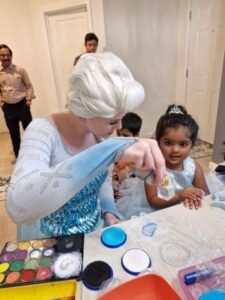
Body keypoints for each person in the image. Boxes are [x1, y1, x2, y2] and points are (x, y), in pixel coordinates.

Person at [6, 52, 165, 240]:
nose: (120, 127)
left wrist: (108, 210)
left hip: (93, 232)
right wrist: (111, 150)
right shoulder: (41, 131)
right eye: (113, 121)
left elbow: (102, 179)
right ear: (84, 112)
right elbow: (17, 205)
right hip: (51, 240)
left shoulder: (100, 133)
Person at [145, 104, 209, 210]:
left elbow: (206, 193)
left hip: (186, 210)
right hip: (159, 212)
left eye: (183, 144)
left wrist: (196, 195)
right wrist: (178, 197)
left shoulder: (193, 167)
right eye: (168, 143)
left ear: (192, 145)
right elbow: (153, 201)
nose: (175, 150)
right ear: (157, 142)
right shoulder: (152, 168)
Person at [0, 44, 35, 162]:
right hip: (8, 109)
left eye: (8, 55)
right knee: (13, 133)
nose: (5, 57)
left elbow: (29, 86)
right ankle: (18, 155)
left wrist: (28, 101)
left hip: (22, 106)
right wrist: (2, 103)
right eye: (3, 55)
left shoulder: (20, 70)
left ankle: (34, 154)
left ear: (11, 56)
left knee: (30, 131)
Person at [112, 112, 142, 199]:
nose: (121, 138)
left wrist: (127, 164)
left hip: (132, 185)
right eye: (118, 134)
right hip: (116, 184)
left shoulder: (139, 150)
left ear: (136, 135)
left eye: (125, 135)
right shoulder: (116, 148)